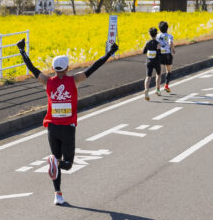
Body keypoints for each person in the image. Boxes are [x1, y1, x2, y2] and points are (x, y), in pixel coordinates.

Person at [16, 37, 117, 205]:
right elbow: (94, 67)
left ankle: (58, 194)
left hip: (52, 128)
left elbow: (32, 68)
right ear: (67, 68)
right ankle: (55, 166)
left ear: (54, 68)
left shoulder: (47, 82)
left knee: (56, 159)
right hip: (68, 129)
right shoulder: (74, 80)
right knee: (67, 164)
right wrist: (110, 53)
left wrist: (22, 51)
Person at [142, 27, 162, 99]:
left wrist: (147, 48)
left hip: (149, 61)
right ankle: (158, 89)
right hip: (156, 62)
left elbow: (143, 52)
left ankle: (146, 90)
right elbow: (159, 53)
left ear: (149, 34)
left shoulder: (147, 42)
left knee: (148, 77)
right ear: (156, 35)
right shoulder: (158, 43)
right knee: (158, 74)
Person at [156, 20, 175, 93]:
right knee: (169, 70)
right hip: (167, 55)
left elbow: (157, 44)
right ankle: (166, 85)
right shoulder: (169, 36)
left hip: (160, 54)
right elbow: (171, 42)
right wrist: (173, 49)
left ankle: (157, 89)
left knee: (159, 72)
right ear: (167, 28)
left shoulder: (157, 36)